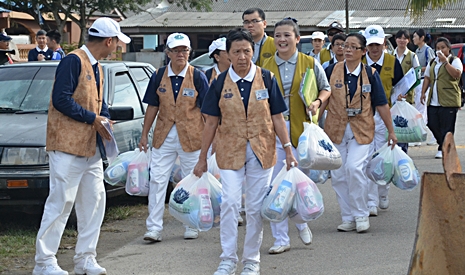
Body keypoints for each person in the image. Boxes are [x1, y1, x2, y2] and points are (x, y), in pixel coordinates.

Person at [193, 28, 297, 275]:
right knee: (229, 203)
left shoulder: (267, 78)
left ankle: (251, 261)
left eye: (246, 51)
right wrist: (202, 158)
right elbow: (210, 122)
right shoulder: (218, 83)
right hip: (230, 151)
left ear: (254, 52)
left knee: (254, 208)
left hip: (262, 151)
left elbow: (278, 117)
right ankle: (228, 259)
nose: (242, 57)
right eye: (236, 52)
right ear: (227, 54)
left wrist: (288, 149)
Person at [33, 17, 130, 275]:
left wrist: (105, 117)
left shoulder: (97, 66)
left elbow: (98, 103)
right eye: (117, 42)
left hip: (91, 148)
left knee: (95, 202)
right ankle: (44, 262)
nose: (117, 48)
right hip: (66, 146)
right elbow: (60, 100)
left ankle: (85, 258)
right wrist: (93, 118)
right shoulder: (73, 60)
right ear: (109, 41)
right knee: (61, 203)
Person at [262, 18, 331, 254]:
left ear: (297, 39)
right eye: (278, 35)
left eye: (287, 35)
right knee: (275, 188)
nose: (282, 40)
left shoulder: (310, 62)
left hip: (302, 135)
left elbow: (326, 88)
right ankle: (281, 239)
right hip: (273, 134)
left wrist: (317, 102)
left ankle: (301, 222)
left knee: (298, 186)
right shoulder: (265, 66)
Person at [322, 33, 397, 233]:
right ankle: (348, 217)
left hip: (362, 129)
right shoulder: (330, 70)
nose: (347, 50)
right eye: (345, 46)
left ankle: (361, 214)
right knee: (338, 175)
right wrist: (313, 125)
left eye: (353, 47)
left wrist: (391, 131)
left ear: (363, 52)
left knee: (354, 168)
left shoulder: (371, 74)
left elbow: (381, 104)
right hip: (336, 129)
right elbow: (323, 98)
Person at [138, 32, 209, 242]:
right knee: (158, 180)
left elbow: (207, 111)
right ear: (168, 52)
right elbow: (152, 106)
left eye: (184, 50)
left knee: (191, 180)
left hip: (192, 136)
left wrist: (211, 139)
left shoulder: (198, 76)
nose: (180, 54)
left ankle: (191, 223)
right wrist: (144, 134)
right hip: (164, 136)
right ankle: (154, 228)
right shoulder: (159, 75)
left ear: (189, 52)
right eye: (176, 50)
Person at [362, 25, 403, 216]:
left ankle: (383, 191)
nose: (374, 48)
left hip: (385, 114)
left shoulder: (392, 62)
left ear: (384, 43)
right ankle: (370, 201)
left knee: (383, 157)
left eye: (378, 44)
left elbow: (400, 86)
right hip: (363, 116)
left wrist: (401, 101)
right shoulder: (359, 61)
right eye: (371, 45)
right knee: (367, 159)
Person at [420, 37, 463, 159]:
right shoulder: (433, 62)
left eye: (443, 48)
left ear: (448, 48)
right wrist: (423, 92)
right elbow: (427, 77)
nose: (440, 50)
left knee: (447, 126)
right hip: (433, 99)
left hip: (448, 99)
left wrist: (445, 62)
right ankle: (443, 144)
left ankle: (443, 149)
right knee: (432, 123)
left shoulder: (454, 60)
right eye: (438, 48)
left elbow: (456, 75)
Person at [394, 29, 421, 147]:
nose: (402, 40)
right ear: (395, 39)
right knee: (393, 123)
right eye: (400, 38)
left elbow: (417, 76)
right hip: (393, 95)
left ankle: (403, 149)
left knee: (403, 125)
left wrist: (409, 90)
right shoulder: (390, 55)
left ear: (408, 40)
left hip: (406, 96)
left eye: (405, 38)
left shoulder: (412, 56)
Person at [413, 29, 437, 146]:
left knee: (421, 110)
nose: (413, 39)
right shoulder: (417, 51)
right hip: (418, 82)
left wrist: (418, 69)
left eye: (415, 36)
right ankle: (432, 136)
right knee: (422, 110)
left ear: (422, 38)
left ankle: (420, 136)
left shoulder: (428, 50)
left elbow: (431, 66)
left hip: (425, 82)